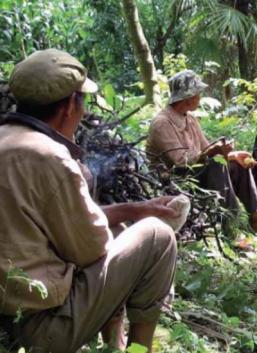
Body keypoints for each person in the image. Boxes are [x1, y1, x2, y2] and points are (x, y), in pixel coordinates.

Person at [0, 49, 190, 353]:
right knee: (157, 235)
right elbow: (91, 247)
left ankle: (113, 339)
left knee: (121, 230)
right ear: (68, 107)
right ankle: (141, 348)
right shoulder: (49, 157)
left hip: (7, 321)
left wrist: (135, 208)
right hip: (41, 330)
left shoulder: (6, 139)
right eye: (82, 102)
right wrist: (143, 217)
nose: (84, 112)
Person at [146, 70, 257, 230]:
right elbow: (180, 162)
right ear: (187, 98)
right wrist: (212, 153)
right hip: (176, 179)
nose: (200, 97)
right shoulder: (162, 123)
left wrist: (232, 155)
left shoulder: (190, 119)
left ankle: (256, 217)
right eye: (198, 93)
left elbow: (204, 148)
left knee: (238, 165)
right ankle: (232, 225)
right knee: (215, 163)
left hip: (196, 172)